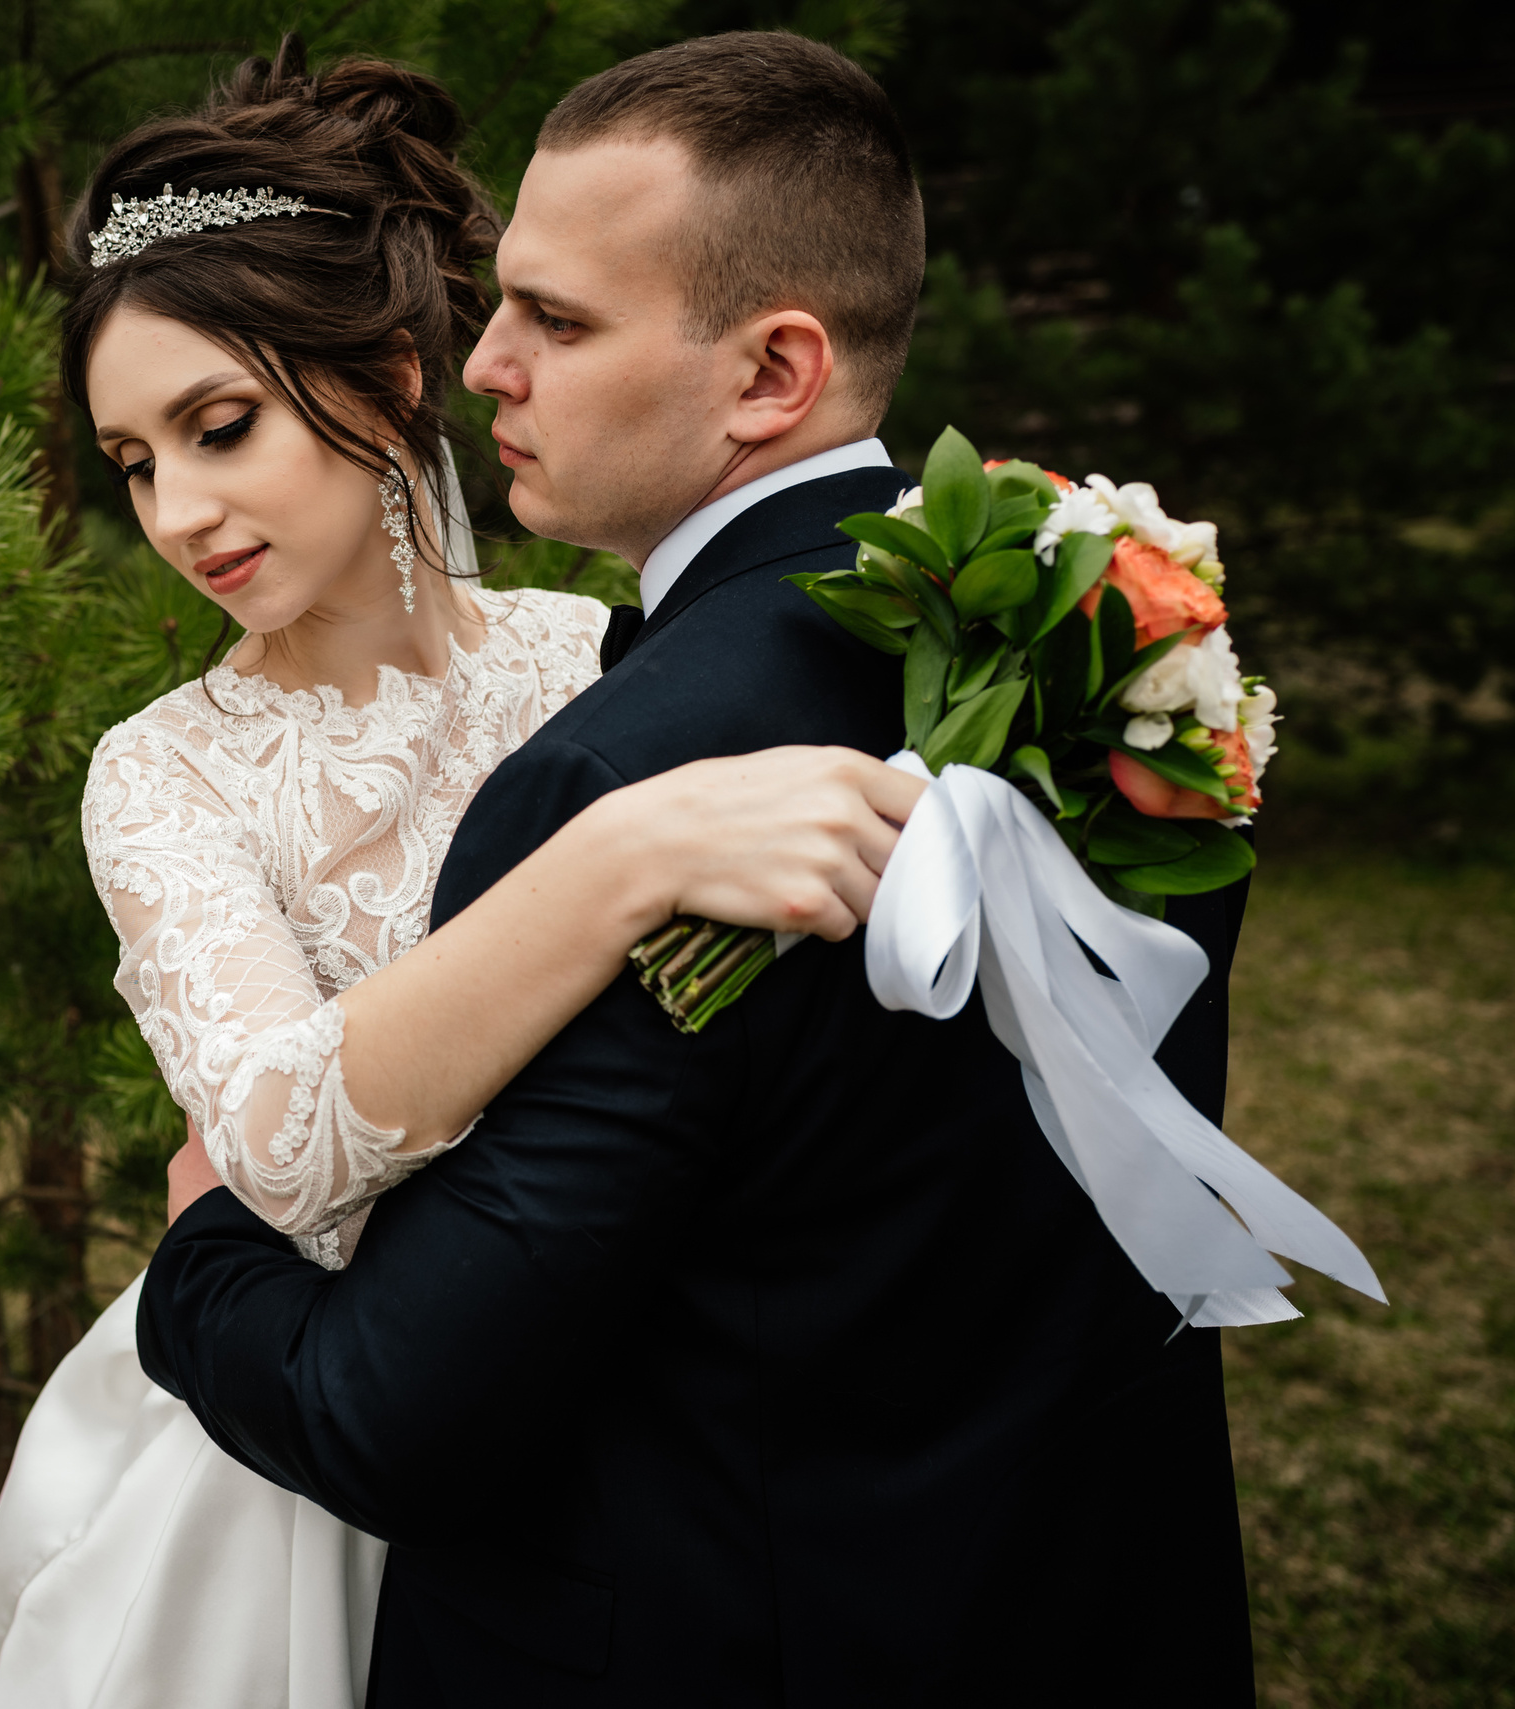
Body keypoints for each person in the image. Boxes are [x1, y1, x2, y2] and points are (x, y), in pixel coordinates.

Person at [135, 31, 1259, 1709]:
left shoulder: (618, 774)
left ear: (770, 373)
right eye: (499, 303)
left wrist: (203, 1251)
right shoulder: (1106, 626)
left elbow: (398, 1416)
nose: (484, 363)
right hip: (1087, 1599)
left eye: (559, 322)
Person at [0, 47, 923, 1709]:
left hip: (605, 1417)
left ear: (394, 378)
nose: (180, 512)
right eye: (133, 461)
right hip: (289, 1454)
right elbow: (272, 1146)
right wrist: (611, 864)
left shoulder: (598, 663)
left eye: (221, 424)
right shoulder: (162, 776)